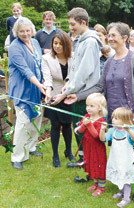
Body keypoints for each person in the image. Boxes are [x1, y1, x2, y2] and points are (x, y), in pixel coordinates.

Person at [65, 22, 134, 200]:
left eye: (113, 35)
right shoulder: (109, 61)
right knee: (119, 152)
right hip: (113, 117)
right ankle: (121, 184)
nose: (109, 38)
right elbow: (99, 87)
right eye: (109, 35)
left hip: (131, 114)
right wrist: (77, 96)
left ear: (124, 38)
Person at [58, 7, 102, 169]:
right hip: (77, 92)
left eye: (72, 24)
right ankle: (84, 161)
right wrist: (68, 83)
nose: (70, 28)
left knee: (87, 131)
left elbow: (84, 71)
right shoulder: (81, 39)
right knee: (79, 128)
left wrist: (68, 91)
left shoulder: (90, 42)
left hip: (86, 96)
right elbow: (75, 68)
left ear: (83, 22)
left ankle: (91, 162)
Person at [8, 17, 46, 170]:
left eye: (27, 30)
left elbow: (40, 64)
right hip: (22, 90)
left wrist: (44, 85)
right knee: (23, 123)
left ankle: (31, 147)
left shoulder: (35, 43)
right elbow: (25, 70)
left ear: (32, 31)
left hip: (37, 89)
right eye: (21, 31)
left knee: (36, 118)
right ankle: (16, 156)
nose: (25, 34)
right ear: (16, 32)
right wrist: (40, 84)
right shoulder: (14, 47)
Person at [41, 30, 74, 168]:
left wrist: (65, 91)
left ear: (66, 45)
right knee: (55, 125)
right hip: (54, 94)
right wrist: (48, 91)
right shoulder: (47, 58)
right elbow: (47, 78)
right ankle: (55, 155)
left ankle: (69, 151)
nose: (57, 46)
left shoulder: (73, 57)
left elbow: (73, 76)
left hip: (67, 95)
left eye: (60, 44)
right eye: (55, 43)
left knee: (67, 125)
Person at [100, 107, 134, 207]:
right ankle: (121, 191)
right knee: (119, 174)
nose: (113, 120)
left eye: (116, 118)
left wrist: (128, 130)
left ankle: (126, 197)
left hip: (126, 160)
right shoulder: (112, 130)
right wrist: (102, 130)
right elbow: (103, 139)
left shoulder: (129, 131)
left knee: (125, 177)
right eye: (113, 117)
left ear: (125, 120)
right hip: (115, 158)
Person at [75, 93, 107, 196]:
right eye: (87, 105)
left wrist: (88, 124)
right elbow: (80, 131)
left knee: (99, 164)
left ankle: (101, 186)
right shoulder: (86, 116)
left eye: (92, 106)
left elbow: (96, 136)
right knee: (90, 163)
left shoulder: (101, 120)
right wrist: (84, 125)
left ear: (100, 108)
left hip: (97, 147)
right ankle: (95, 183)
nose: (88, 108)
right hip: (88, 146)